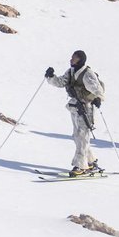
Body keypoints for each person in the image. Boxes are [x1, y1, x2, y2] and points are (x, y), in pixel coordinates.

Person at [45, 49, 104, 177]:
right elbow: (61, 82)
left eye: (74, 58)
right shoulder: (71, 71)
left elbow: (98, 89)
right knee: (78, 136)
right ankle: (90, 161)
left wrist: (98, 98)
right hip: (75, 107)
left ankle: (81, 166)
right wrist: (50, 77)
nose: (71, 60)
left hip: (86, 108)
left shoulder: (87, 73)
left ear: (81, 60)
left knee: (82, 136)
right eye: (71, 58)